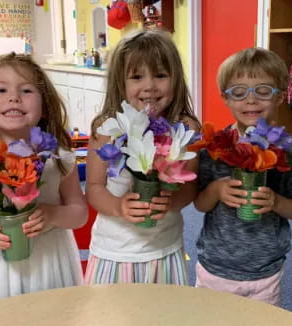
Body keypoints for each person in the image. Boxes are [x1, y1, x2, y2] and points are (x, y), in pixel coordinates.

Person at [0, 53, 87, 310]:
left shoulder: (57, 156)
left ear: (44, 104)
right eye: (0, 90)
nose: (13, 97)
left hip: (49, 264)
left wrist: (54, 215)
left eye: (26, 90)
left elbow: (79, 213)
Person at [85, 29, 200, 285]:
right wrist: (117, 206)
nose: (149, 86)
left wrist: (173, 201)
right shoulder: (106, 129)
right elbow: (93, 187)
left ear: (176, 79)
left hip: (164, 250)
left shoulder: (185, 129)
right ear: (120, 83)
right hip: (115, 252)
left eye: (160, 75)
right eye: (137, 76)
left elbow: (190, 185)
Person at [193, 48, 292, 306]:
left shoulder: (288, 149)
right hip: (216, 266)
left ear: (280, 97)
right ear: (225, 98)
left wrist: (276, 202)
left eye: (263, 90)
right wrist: (216, 191)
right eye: (239, 92)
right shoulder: (215, 146)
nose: (251, 100)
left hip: (266, 270)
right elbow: (199, 204)